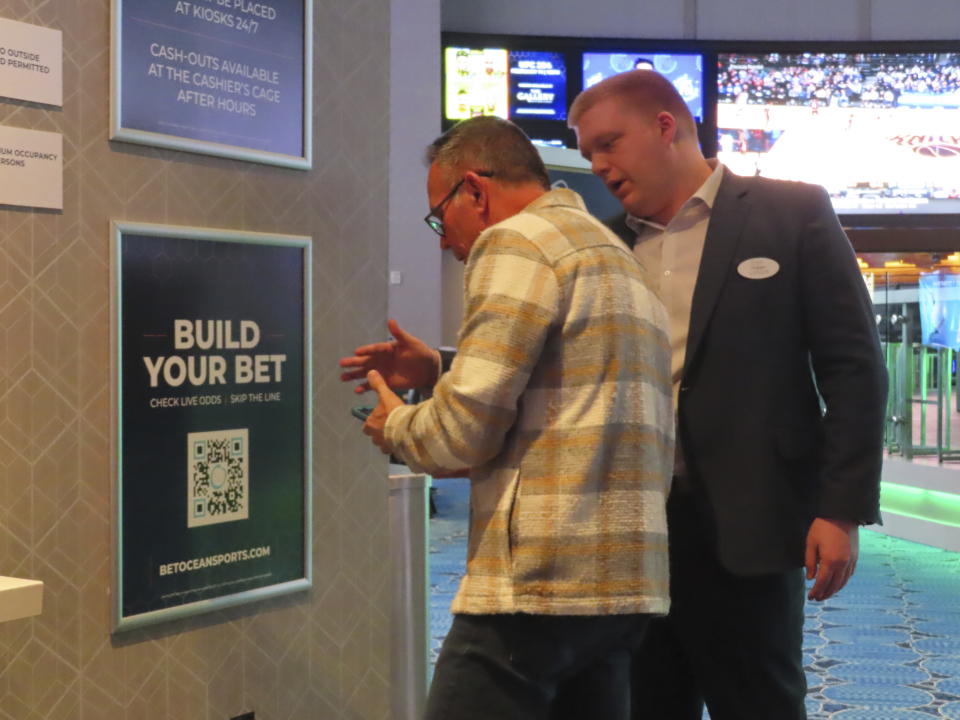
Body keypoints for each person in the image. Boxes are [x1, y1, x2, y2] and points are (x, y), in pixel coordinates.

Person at [567, 69, 888, 719]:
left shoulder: (791, 212)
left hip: (753, 522)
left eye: (608, 143)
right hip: (635, 533)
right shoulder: (605, 243)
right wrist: (437, 365)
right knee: (650, 703)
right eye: (589, 153)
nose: (598, 165)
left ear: (666, 126)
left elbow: (853, 366)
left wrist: (842, 509)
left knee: (760, 702)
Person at [340, 115, 674, 720]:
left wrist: (394, 425)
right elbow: (571, 393)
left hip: (537, 586)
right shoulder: (615, 254)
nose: (443, 238)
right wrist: (442, 368)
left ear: (475, 189)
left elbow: (462, 434)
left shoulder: (516, 240)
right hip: (624, 583)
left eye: (440, 217)